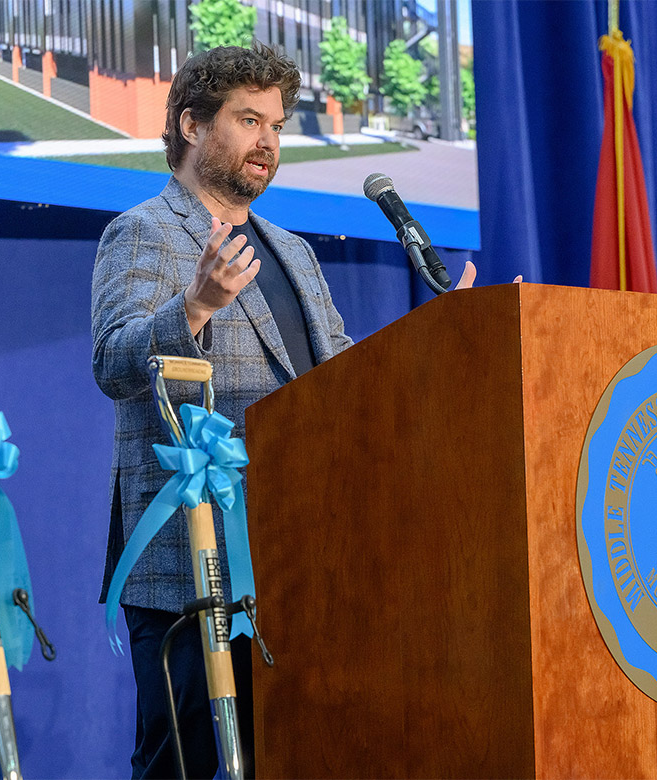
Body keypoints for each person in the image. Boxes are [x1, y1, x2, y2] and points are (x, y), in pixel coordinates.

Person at [91, 41, 493, 778]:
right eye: (249, 120)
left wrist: (439, 342)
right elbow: (114, 363)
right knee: (182, 766)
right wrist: (195, 306)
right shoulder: (144, 231)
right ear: (190, 125)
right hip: (191, 562)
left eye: (276, 125)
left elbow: (344, 382)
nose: (268, 142)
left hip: (300, 558)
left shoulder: (294, 252)